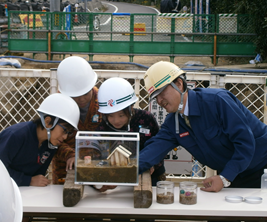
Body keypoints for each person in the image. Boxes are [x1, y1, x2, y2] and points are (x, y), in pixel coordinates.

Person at [139, 61, 267, 192]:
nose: (159, 101)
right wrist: (124, 172)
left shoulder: (216, 101)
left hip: (261, 167)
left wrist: (225, 178)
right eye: (155, 97)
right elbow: (154, 149)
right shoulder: (173, 123)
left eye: (161, 92)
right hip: (234, 173)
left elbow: (245, 142)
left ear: (179, 84)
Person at [90, 77, 166, 192]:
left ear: (131, 107)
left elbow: (159, 145)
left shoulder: (146, 119)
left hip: (150, 175)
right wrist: (98, 183)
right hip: (117, 178)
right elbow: (95, 158)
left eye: (121, 115)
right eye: (110, 116)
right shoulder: (102, 129)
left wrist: (153, 162)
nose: (116, 121)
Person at [0, 93, 80, 187]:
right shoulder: (15, 135)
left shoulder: (51, 145)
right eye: (64, 131)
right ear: (48, 122)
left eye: (68, 133)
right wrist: (28, 180)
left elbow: (38, 176)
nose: (65, 137)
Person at [52, 56, 102, 184]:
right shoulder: (56, 106)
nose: (81, 99)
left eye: (85, 94)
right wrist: (70, 154)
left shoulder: (103, 102)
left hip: (97, 166)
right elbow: (51, 138)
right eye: (75, 96)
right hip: (65, 169)